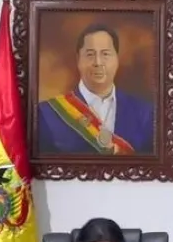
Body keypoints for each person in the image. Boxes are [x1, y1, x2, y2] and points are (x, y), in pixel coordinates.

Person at [36, 23, 155, 156]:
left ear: (117, 58)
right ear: (78, 59)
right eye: (90, 54)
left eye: (105, 54)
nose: (98, 62)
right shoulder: (48, 114)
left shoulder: (145, 114)